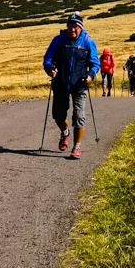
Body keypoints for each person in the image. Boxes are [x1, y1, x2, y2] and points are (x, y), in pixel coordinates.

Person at [42, 12, 100, 159]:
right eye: (70, 26)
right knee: (58, 115)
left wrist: (90, 76)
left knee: (79, 116)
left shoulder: (88, 42)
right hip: (61, 82)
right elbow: (47, 59)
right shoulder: (59, 40)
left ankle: (77, 146)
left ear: (80, 27)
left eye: (75, 27)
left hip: (79, 84)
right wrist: (50, 69)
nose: (72, 30)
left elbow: (95, 63)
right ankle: (65, 132)